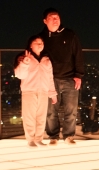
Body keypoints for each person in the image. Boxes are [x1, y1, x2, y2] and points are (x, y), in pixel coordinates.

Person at [31, 8, 84, 145]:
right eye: (52, 17)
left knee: (71, 110)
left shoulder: (70, 35)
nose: (55, 20)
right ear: (45, 21)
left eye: (57, 17)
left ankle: (68, 136)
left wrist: (79, 75)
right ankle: (53, 136)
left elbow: (78, 55)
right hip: (49, 80)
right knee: (50, 111)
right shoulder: (40, 38)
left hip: (70, 78)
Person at [14, 37, 58, 147]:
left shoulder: (46, 60)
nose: (40, 44)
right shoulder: (24, 57)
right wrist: (25, 63)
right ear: (30, 45)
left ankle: (39, 138)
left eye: (41, 43)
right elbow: (19, 75)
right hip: (29, 91)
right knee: (29, 117)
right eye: (37, 42)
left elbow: (50, 78)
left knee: (41, 117)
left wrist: (52, 93)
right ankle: (30, 140)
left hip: (43, 91)